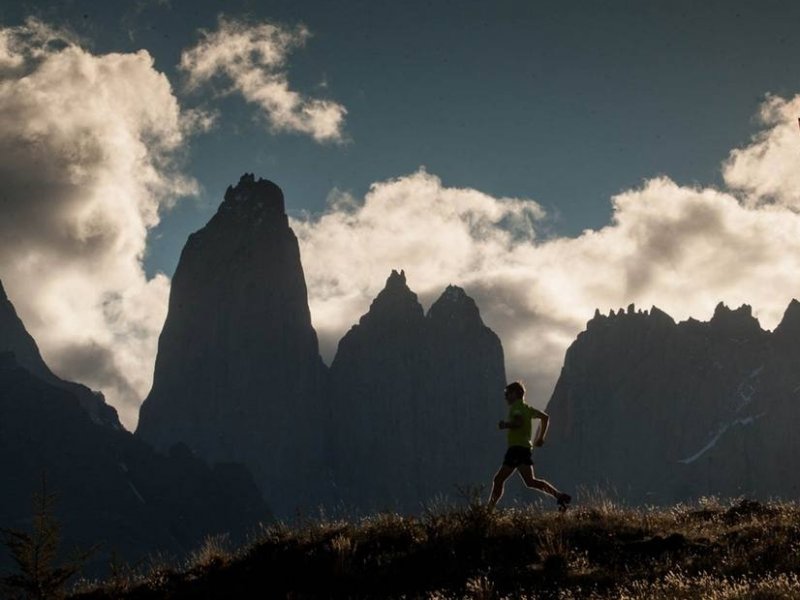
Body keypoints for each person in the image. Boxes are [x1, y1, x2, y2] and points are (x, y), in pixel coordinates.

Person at [487, 381, 571, 511]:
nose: (505, 397)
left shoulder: (516, 408)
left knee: (498, 480)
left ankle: (488, 510)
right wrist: (541, 438)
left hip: (516, 449)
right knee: (530, 481)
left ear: (515, 394)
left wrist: (506, 425)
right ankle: (559, 495)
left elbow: (519, 422)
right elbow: (545, 417)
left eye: (507, 394)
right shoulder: (527, 409)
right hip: (525, 449)